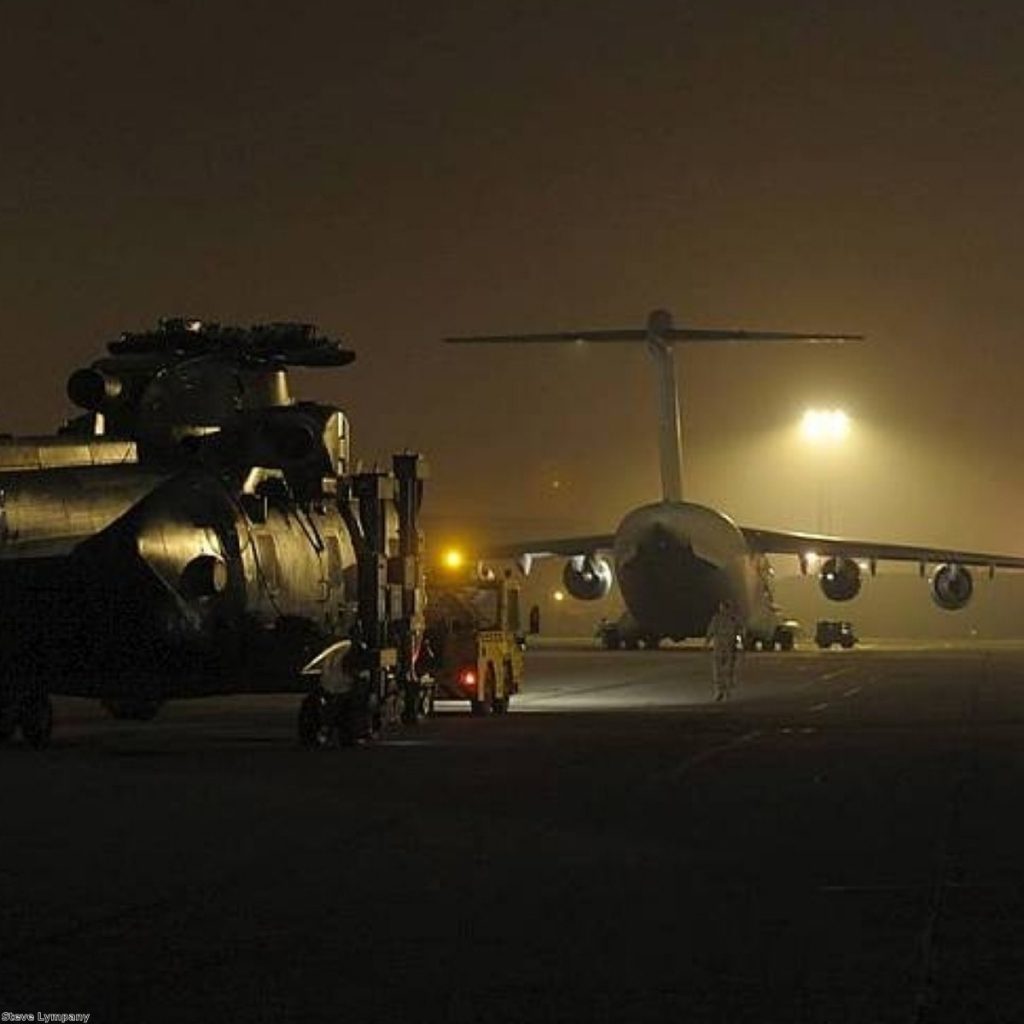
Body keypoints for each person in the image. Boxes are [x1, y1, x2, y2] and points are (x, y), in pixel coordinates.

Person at [705, 599, 743, 702]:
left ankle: (722, 692)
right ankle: (724, 692)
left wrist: (707, 642)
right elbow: (741, 631)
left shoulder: (719, 618)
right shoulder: (732, 619)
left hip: (722, 648)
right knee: (725, 671)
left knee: (720, 671)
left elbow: (711, 631)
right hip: (727, 648)